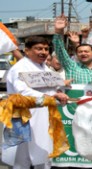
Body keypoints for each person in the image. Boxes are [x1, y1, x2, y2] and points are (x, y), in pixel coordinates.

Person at [3, 35, 69, 169]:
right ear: (27, 51)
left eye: (46, 49)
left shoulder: (44, 68)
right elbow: (23, 92)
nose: (44, 52)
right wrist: (49, 97)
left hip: (45, 116)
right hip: (24, 117)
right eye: (39, 49)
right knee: (23, 158)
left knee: (43, 153)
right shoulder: (20, 68)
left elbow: (52, 88)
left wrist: (59, 91)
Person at [53, 15, 92, 85]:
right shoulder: (72, 67)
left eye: (86, 51)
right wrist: (58, 31)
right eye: (80, 52)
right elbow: (60, 50)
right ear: (76, 54)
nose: (83, 53)